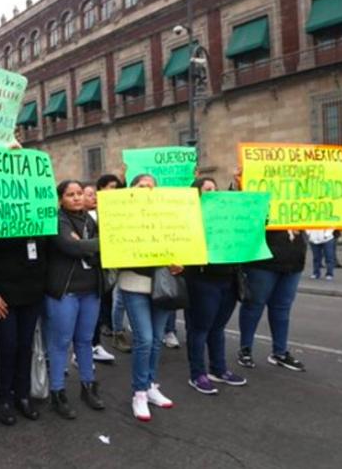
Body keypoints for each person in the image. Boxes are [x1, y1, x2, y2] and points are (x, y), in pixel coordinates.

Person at [117, 174, 176, 421]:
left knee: (155, 341)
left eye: (151, 187)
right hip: (134, 284)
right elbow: (115, 250)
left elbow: (182, 243)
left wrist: (178, 263)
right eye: (142, 186)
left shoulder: (168, 215)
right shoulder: (120, 215)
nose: (147, 190)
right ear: (131, 189)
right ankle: (139, 392)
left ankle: (150, 384)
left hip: (161, 286)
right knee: (145, 338)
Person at [45, 180, 105, 419]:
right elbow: (70, 246)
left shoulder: (90, 220)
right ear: (61, 199)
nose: (77, 198)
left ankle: (87, 386)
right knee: (60, 343)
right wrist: (95, 244)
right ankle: (57, 392)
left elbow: (85, 246)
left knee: (85, 340)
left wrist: (85, 245)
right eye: (70, 195)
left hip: (91, 291)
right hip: (65, 291)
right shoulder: (56, 220)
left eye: (80, 193)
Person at [0, 236, 46, 426]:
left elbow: (45, 250)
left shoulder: (35, 218)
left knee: (25, 345)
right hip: (2, 296)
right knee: (8, 345)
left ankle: (22, 394)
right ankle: (3, 398)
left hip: (31, 293)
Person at [184, 177, 247, 395]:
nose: (213, 191)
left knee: (218, 327)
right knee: (200, 328)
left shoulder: (227, 216)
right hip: (202, 279)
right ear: (197, 194)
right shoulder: (190, 218)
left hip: (228, 278)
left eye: (215, 188)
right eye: (207, 189)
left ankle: (219, 369)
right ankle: (197, 373)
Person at [237, 229, 308, 371]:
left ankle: (280, 352)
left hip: (293, 260)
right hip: (263, 261)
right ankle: (245, 348)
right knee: (254, 305)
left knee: (282, 307)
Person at [94, 174, 131, 354]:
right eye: (110, 187)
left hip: (128, 256)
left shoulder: (124, 204)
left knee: (119, 297)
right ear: (100, 188)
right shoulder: (98, 209)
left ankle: (115, 328)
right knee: (116, 298)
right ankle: (116, 331)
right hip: (110, 260)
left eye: (117, 187)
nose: (114, 191)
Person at [83, 183, 115, 364]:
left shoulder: (104, 214)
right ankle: (84, 350)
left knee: (95, 311)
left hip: (100, 271)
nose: (93, 197)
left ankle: (96, 345)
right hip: (88, 269)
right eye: (88, 194)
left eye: (94, 194)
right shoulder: (81, 218)